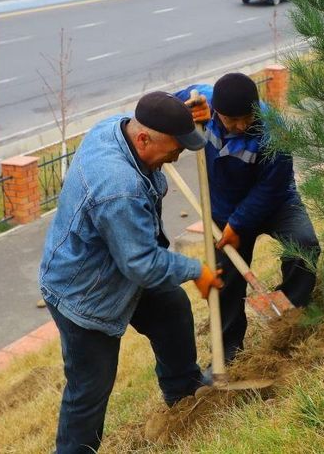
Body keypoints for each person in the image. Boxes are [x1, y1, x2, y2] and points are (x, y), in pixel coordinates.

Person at [39, 92, 224, 454]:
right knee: (89, 390)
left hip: (118, 268)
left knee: (171, 309)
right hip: (85, 293)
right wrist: (196, 270)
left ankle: (184, 395)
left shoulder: (118, 127)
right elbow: (141, 263)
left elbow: (154, 113)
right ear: (144, 139)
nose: (176, 157)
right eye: (174, 149)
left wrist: (185, 112)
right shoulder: (118, 187)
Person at [176, 74, 320, 365]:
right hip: (223, 210)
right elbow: (165, 106)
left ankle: (292, 309)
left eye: (247, 118)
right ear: (217, 111)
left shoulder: (274, 131)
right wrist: (185, 110)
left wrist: (239, 224)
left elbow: (271, 188)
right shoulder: (204, 102)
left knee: (305, 245)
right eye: (233, 120)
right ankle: (228, 350)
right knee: (225, 280)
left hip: (277, 203)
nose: (241, 125)